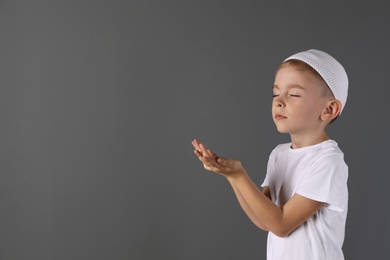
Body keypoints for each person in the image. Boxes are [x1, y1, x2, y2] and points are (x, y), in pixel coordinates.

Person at [192, 49, 348, 260]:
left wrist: (240, 176)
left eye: (294, 94)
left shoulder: (328, 161)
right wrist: (232, 176)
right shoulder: (279, 154)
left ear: (329, 109)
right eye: (276, 93)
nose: (279, 101)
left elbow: (281, 225)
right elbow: (264, 220)